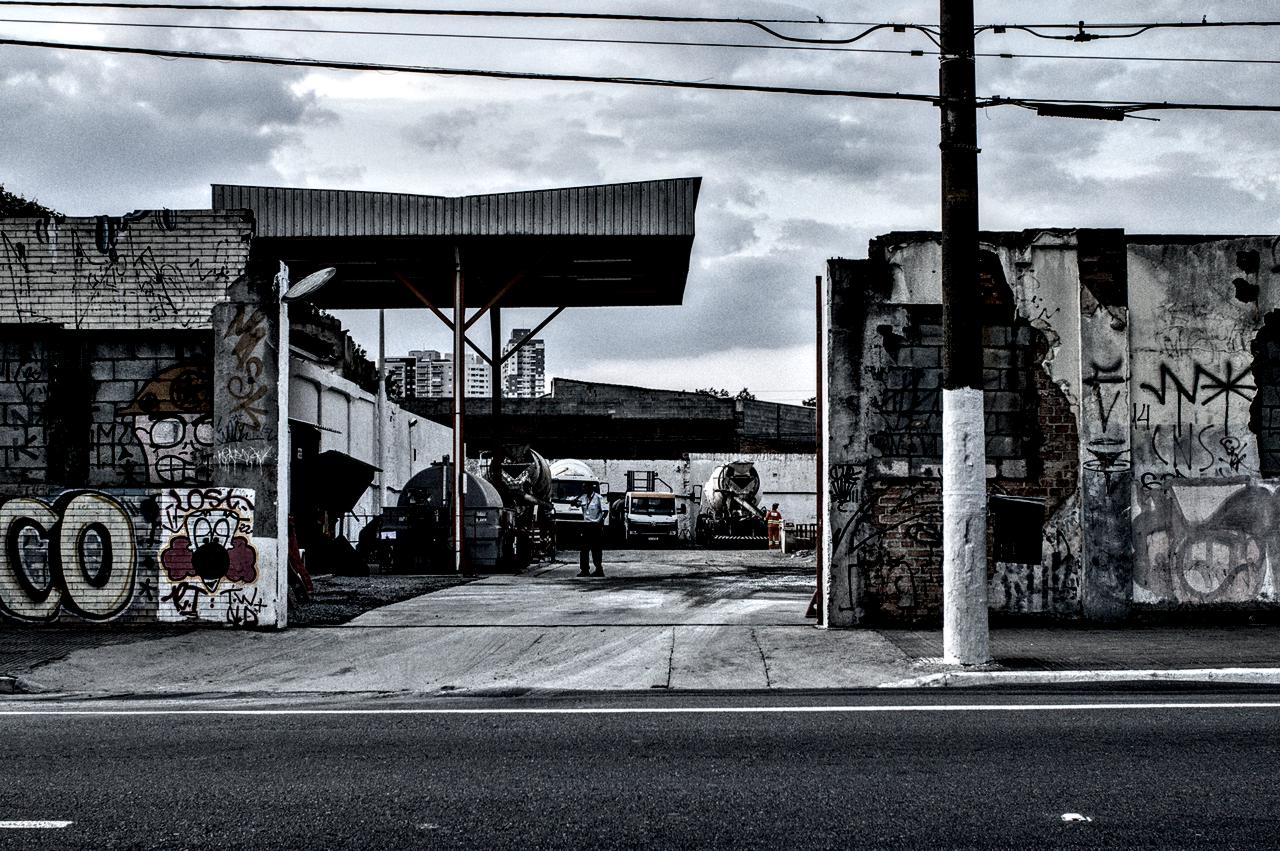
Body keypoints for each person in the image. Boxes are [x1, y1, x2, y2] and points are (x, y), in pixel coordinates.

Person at [575, 481, 608, 576]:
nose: (583, 489)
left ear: (590, 488)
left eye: (584, 487)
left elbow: (605, 511)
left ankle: (599, 569)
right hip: (586, 526)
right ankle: (584, 570)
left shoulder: (598, 498)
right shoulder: (583, 497)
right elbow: (575, 504)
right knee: (584, 549)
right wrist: (574, 501)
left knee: (596, 549)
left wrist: (601, 521)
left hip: (595, 526)